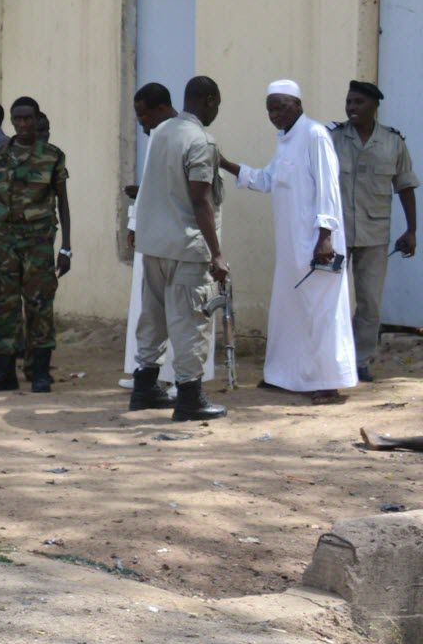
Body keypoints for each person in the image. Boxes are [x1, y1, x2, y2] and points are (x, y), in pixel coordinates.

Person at [218, 79, 356, 403]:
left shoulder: (315, 135)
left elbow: (328, 191)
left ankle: (328, 383)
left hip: (317, 245)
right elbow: (267, 180)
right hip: (291, 249)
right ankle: (284, 375)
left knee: (321, 314)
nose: (274, 114)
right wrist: (224, 163)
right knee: (290, 313)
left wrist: (325, 237)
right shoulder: (284, 141)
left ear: (297, 104)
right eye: (269, 108)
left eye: (280, 106)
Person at [130, 79, 229, 420]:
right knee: (191, 321)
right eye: (217, 105)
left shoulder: (161, 134)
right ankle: (190, 397)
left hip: (154, 244)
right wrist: (216, 254)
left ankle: (144, 387)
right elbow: (201, 199)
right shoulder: (199, 139)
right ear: (210, 100)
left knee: (153, 318)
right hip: (186, 246)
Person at [0, 98, 70, 392]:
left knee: (40, 307)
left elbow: (63, 204)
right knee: (5, 307)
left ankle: (39, 372)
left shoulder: (52, 156)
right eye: (18, 119)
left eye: (29, 118)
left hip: (39, 243)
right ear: (13, 122)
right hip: (4, 242)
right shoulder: (0, 154)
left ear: (36, 118)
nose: (24, 124)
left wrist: (66, 247)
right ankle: (5, 373)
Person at [330, 80, 417, 382]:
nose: (351, 108)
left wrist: (411, 230)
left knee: (369, 302)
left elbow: (405, 187)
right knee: (332, 300)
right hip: (336, 234)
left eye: (358, 103)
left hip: (374, 234)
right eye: (349, 102)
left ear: (374, 107)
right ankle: (331, 359)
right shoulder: (332, 139)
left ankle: (360, 360)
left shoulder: (394, 142)